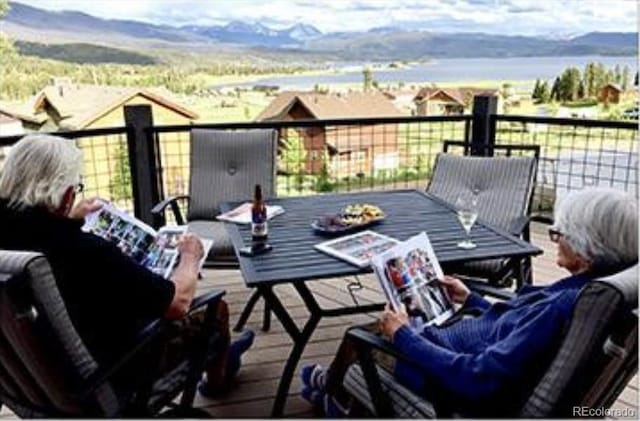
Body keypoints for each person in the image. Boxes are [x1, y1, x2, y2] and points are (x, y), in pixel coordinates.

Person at [300, 187, 638, 417]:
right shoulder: (585, 293)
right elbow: (518, 330)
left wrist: (403, 337)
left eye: (558, 234)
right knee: (394, 321)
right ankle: (334, 391)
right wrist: (471, 298)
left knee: (362, 334)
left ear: (585, 249)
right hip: (457, 345)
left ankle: (330, 392)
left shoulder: (557, 308)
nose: (555, 240)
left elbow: (477, 378)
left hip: (442, 380)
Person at [0, 134, 253, 398]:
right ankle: (217, 382)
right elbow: (178, 304)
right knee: (217, 310)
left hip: (30, 379)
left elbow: (45, 236)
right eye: (75, 188)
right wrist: (189, 257)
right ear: (65, 195)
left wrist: (71, 216)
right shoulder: (86, 250)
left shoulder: (12, 233)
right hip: (112, 376)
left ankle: (227, 358)